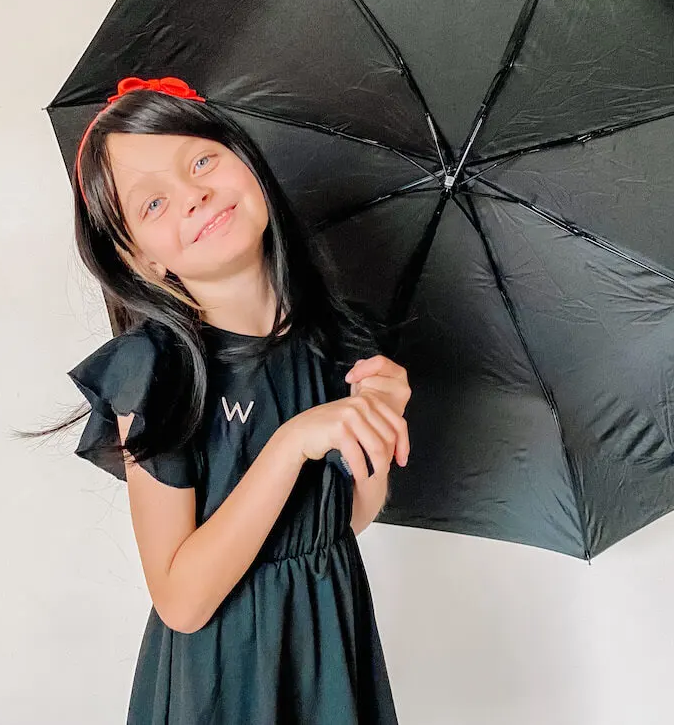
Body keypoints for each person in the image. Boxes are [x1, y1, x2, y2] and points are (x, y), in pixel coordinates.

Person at [25, 75, 411, 723]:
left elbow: (344, 521)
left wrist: (379, 419)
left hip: (330, 641)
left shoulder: (337, 339)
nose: (195, 194)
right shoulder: (157, 372)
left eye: (201, 160)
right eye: (153, 204)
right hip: (228, 672)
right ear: (140, 260)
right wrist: (290, 444)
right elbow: (181, 599)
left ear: (245, 160)